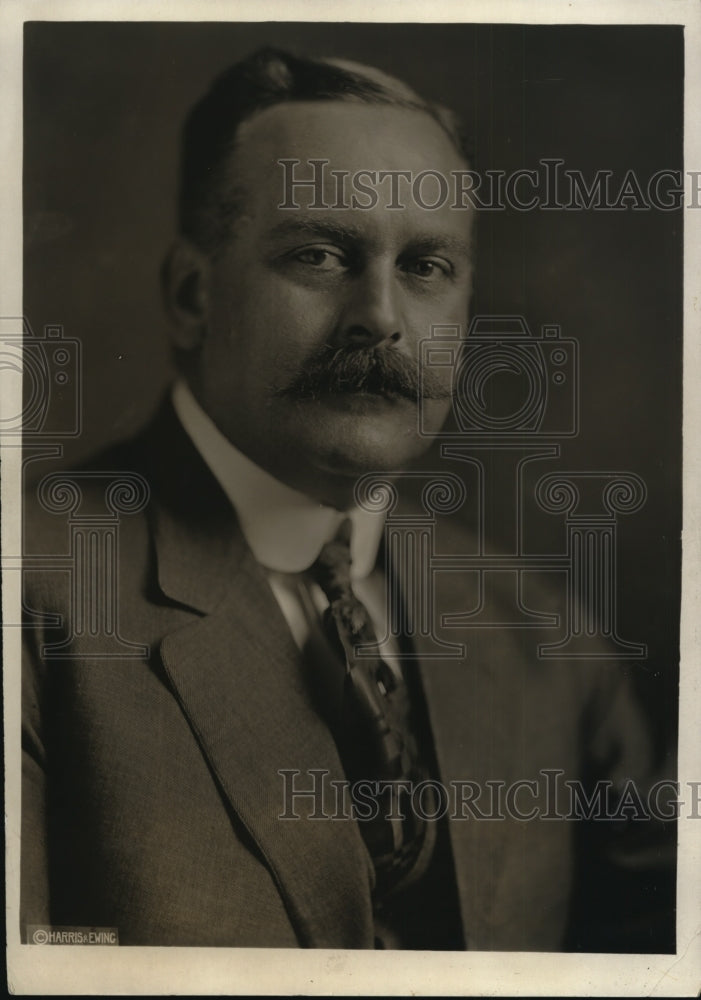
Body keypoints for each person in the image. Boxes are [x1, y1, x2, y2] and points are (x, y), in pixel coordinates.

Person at [20, 47, 670, 951]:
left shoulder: (544, 637)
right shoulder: (33, 599)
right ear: (189, 296)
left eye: (428, 267)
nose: (381, 316)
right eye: (320, 254)